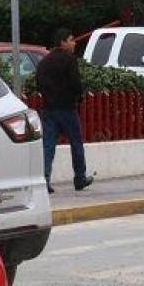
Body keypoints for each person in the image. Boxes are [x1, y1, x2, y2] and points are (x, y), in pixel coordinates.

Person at [35, 28, 94, 193]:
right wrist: (79, 96)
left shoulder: (44, 62)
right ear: (63, 42)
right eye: (71, 39)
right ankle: (80, 178)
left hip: (48, 109)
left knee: (48, 146)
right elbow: (75, 83)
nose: (74, 43)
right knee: (76, 143)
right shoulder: (69, 60)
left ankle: (45, 180)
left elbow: (38, 83)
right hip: (67, 108)